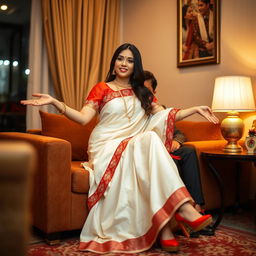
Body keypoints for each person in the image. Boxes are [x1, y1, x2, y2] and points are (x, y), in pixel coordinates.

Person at [21, 43, 219, 254]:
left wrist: (193, 109)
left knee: (149, 141)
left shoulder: (142, 91)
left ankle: (169, 223)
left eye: (130, 60)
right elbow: (83, 118)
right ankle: (183, 210)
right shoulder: (102, 88)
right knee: (149, 140)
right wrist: (56, 102)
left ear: (136, 66)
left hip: (135, 145)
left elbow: (164, 115)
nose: (124, 63)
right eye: (120, 58)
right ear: (114, 62)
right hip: (105, 146)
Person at [144, 70, 215, 237]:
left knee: (189, 150)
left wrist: (177, 141)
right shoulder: (135, 111)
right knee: (171, 161)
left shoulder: (161, 110)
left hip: (169, 149)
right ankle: (184, 215)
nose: (144, 95)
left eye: (148, 91)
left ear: (154, 93)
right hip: (151, 154)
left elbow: (179, 132)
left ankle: (197, 207)